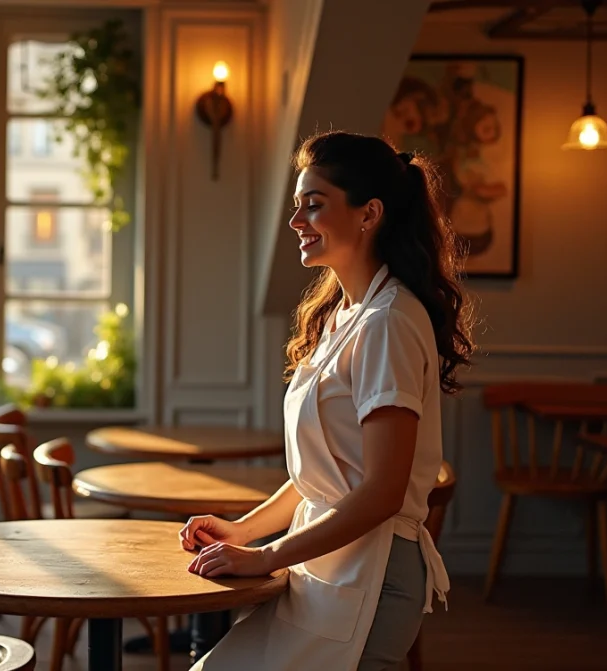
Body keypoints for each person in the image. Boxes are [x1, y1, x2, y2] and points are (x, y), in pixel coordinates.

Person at [179, 130, 475, 671]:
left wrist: (265, 556)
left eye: (313, 206)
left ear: (369, 214)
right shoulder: (344, 315)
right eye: (296, 207)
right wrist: (245, 529)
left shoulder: (389, 322)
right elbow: (328, 473)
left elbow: (383, 491)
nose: (296, 222)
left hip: (372, 576)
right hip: (327, 565)